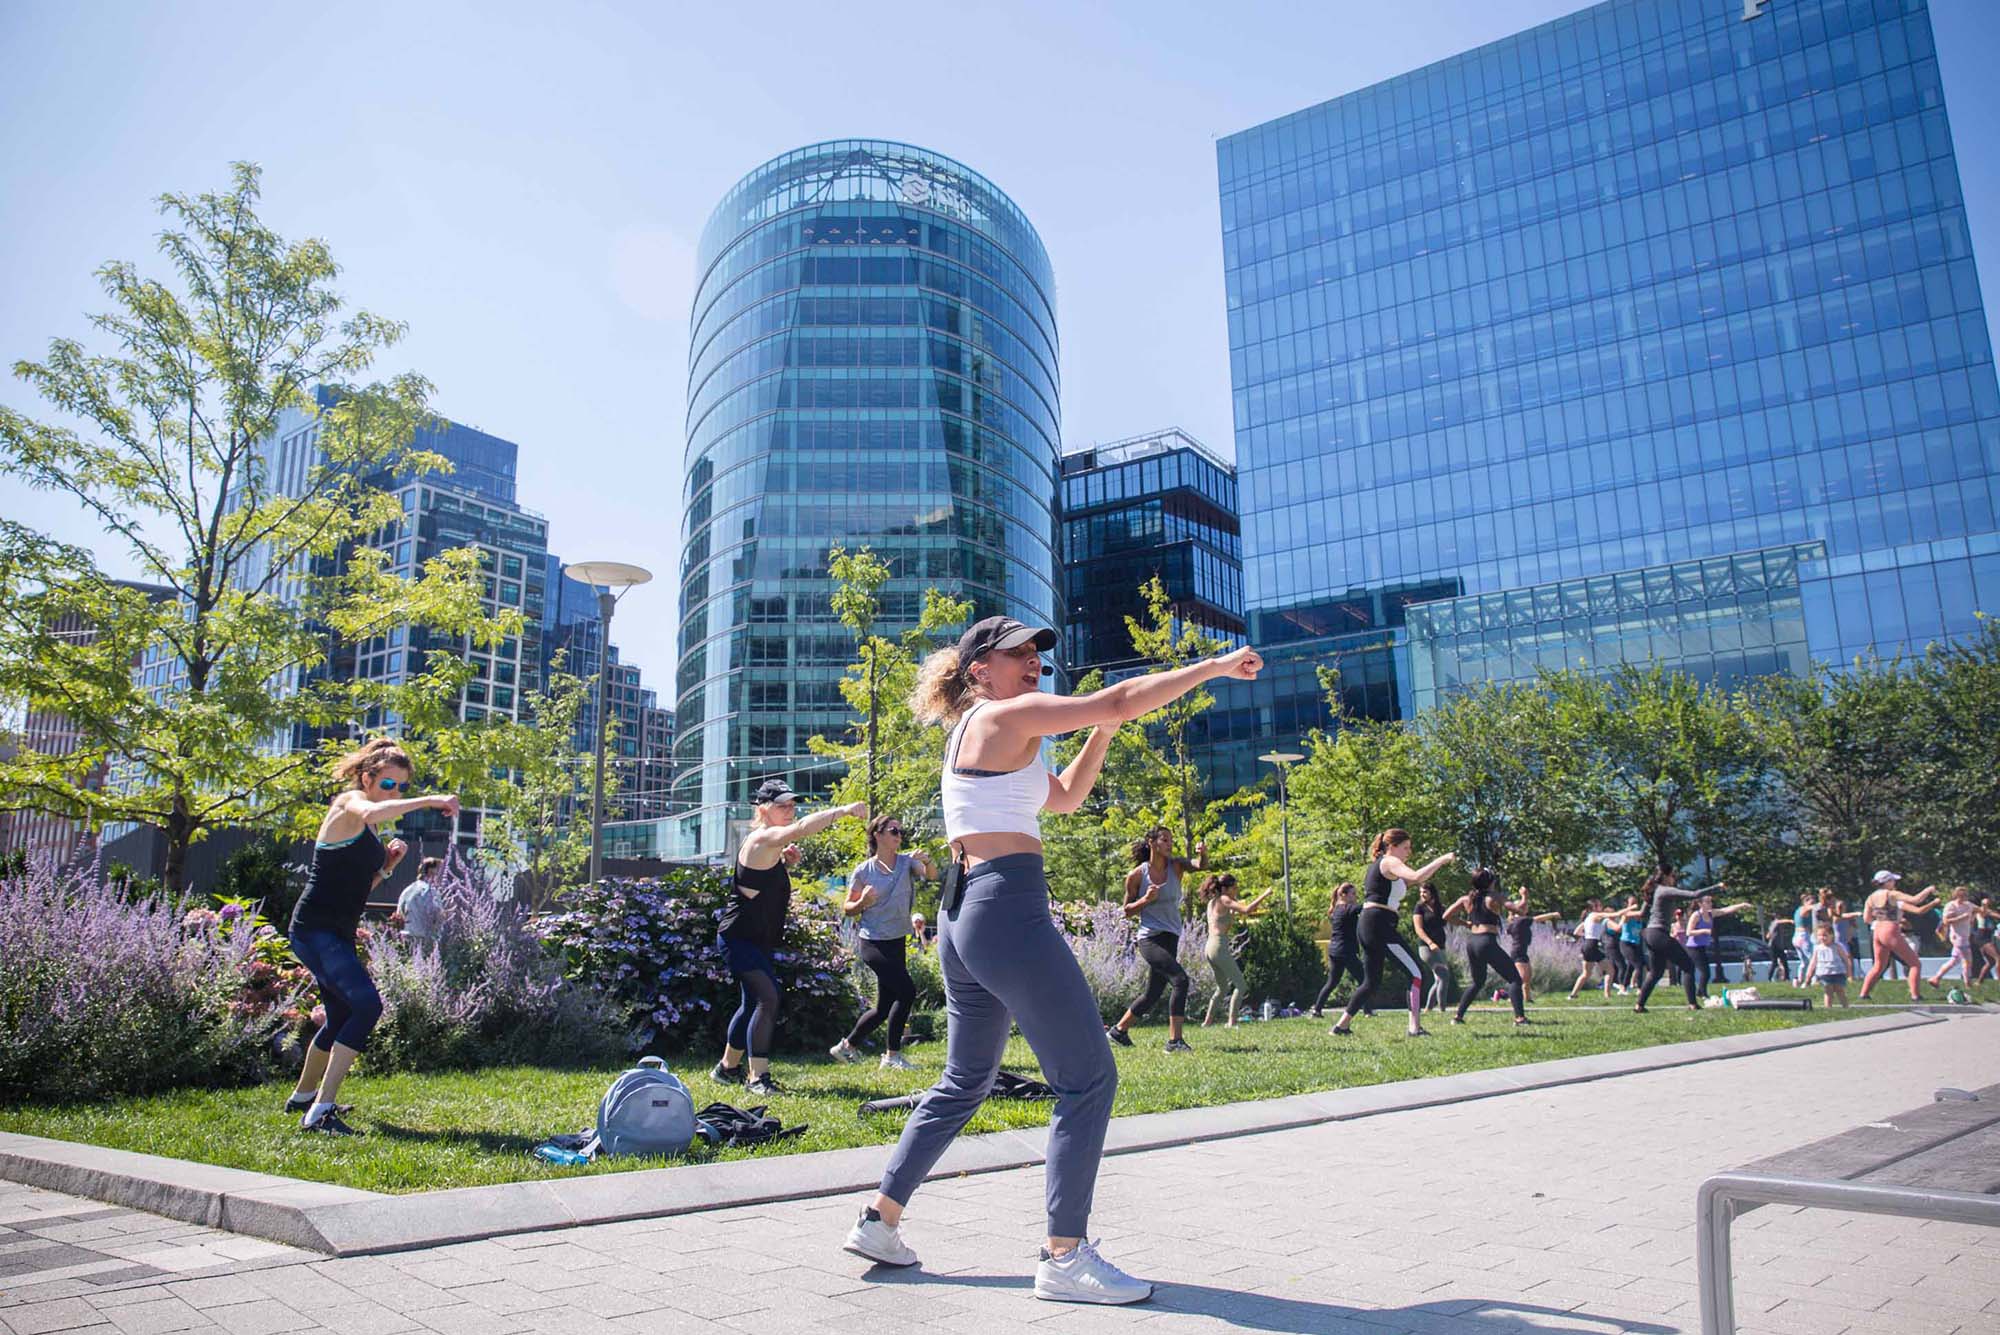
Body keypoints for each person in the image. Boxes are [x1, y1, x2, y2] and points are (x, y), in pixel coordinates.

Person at [843, 614, 1261, 1304]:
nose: (1034, 661)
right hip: (1005, 907)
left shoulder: (991, 736)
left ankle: (880, 1219)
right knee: (1088, 1076)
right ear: (979, 668)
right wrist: (1212, 668)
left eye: (1039, 653)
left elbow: (1063, 798)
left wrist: (1103, 731)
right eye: (1018, 653)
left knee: (966, 1078)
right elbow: (1122, 697)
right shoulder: (1002, 718)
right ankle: (1064, 1254)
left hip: (966, 915)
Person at [287, 739, 459, 1136]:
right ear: (366, 778)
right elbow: (373, 809)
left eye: (400, 787)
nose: (394, 794)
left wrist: (386, 869)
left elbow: (355, 885)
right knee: (366, 1006)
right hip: (315, 930)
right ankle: (321, 1111)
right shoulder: (349, 804)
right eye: (388, 785)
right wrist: (428, 799)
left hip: (336, 932)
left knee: (342, 1015)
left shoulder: (367, 827)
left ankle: (302, 1096)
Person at [713, 779, 867, 1097]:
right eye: (782, 805)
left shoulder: (771, 848)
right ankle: (757, 1078)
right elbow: (799, 829)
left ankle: (726, 1069)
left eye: (792, 805)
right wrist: (843, 810)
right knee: (768, 998)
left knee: (751, 1003)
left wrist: (784, 864)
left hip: (757, 939)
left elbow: (763, 883)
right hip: (738, 938)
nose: (790, 810)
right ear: (763, 809)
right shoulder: (762, 838)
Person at [831, 814, 937, 1071]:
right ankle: (892, 1056)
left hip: (897, 939)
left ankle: (847, 1047)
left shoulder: (906, 863)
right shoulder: (863, 871)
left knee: (883, 1007)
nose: (899, 836)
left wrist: (928, 860)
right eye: (893, 831)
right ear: (877, 834)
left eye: (900, 832)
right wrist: (863, 902)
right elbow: (848, 909)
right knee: (907, 991)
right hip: (872, 943)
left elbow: (932, 876)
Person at [1329, 829, 1450, 1038]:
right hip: (1379, 925)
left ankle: (1341, 1026)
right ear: (1392, 847)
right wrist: (1442, 859)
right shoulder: (1389, 861)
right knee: (1416, 973)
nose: (1408, 853)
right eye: (1406, 848)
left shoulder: (1383, 868)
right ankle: (1414, 1028)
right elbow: (1417, 876)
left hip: (1370, 924)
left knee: (1371, 982)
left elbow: (1410, 881)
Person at [1107, 829, 1207, 1053]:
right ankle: (1175, 1042)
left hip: (1171, 936)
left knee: (1153, 993)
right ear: (1151, 843)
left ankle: (1118, 1031)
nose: (1170, 844)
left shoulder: (1176, 866)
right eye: (1165, 840)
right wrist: (1145, 899)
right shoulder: (1136, 875)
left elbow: (1200, 865)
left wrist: (1202, 853)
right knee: (1180, 980)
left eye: (1171, 840)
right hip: (1150, 938)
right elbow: (1127, 911)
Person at [1633, 869, 1752, 1013]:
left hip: (1650, 933)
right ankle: (1693, 1004)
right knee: (1688, 966)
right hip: (1659, 933)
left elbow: (1642, 914)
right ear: (1665, 876)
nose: (1674, 879)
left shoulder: (1655, 891)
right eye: (1672, 876)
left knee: (1656, 972)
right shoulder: (1665, 890)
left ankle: (1639, 1005)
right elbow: (1694, 895)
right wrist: (1717, 887)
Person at [1446, 868, 1525, 1025]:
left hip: (1472, 942)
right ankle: (1520, 1018)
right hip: (1486, 941)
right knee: (1515, 979)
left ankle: (1458, 1017)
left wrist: (1466, 923)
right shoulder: (1494, 897)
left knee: (1477, 982)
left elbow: (1446, 916)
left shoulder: (1466, 899)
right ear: (1490, 882)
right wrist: (1524, 896)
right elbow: (1519, 910)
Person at [1200, 873, 1275, 1027]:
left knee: (1222, 988)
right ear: (1226, 889)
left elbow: (1223, 925)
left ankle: (1207, 1023)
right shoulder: (1224, 899)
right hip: (1218, 946)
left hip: (1210, 947)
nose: (1237, 890)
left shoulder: (1214, 902)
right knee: (1241, 986)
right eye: (1234, 887)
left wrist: (1232, 914)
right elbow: (1247, 909)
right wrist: (1265, 894)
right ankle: (1231, 1022)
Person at [1855, 871, 1936, 1003]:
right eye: (1892, 881)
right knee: (1915, 963)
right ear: (1886, 882)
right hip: (1890, 929)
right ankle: (1915, 996)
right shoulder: (1891, 894)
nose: (1894, 883)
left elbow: (1866, 919)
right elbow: (1915, 900)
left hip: (1877, 930)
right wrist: (1928, 890)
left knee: (1878, 966)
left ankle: (1863, 994)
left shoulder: (1871, 897)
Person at [1310, 884, 1364, 1018]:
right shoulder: (1346, 908)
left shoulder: (1337, 909)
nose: (1355, 896)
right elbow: (1363, 907)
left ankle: (1317, 1010)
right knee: (1365, 980)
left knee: (1332, 982)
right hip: (1345, 950)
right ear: (1343, 895)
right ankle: (1368, 1010)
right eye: (1353, 894)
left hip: (1335, 950)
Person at [1683, 891, 1749, 998]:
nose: (1710, 904)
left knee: (1706, 972)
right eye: (1707, 902)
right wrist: (1704, 931)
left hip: (1702, 947)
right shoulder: (1696, 915)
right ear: (1700, 904)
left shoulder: (1711, 913)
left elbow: (1725, 910)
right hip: (1693, 948)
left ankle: (1700, 992)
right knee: (1705, 972)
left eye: (1710, 902)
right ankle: (1702, 993)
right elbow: (1688, 932)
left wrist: (1741, 905)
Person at [1501, 887, 1561, 1003]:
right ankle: (1512, 997)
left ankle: (1527, 998)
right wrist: (1552, 914)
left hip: (1521, 951)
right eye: (1525, 907)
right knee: (1521, 978)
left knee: (1527, 977)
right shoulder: (1520, 921)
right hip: (1518, 952)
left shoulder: (1515, 921)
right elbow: (1537, 918)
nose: (1527, 908)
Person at [1569, 899, 1633, 1000]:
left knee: (1586, 973)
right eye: (1599, 905)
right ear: (1593, 908)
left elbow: (1577, 932)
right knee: (1610, 970)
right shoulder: (1595, 915)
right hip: (1592, 946)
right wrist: (1631, 908)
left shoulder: (1588, 918)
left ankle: (1573, 995)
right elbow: (1616, 914)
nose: (1601, 907)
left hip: (1587, 945)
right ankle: (1607, 995)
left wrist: (1588, 935)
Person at [1924, 886, 1979, 990]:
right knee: (1967, 960)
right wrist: (1961, 917)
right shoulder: (1951, 906)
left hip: (1965, 935)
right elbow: (1945, 921)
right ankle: (1968, 983)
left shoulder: (1968, 905)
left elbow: (1980, 910)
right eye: (1962, 896)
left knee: (1954, 960)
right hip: (1958, 936)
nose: (1964, 898)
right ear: (1957, 895)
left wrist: (1983, 909)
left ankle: (1936, 978)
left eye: (1966, 895)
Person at [1411, 883, 1452, 1013]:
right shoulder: (1419, 908)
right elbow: (1418, 929)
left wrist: (1465, 923)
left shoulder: (1440, 907)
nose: (1422, 895)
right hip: (1427, 947)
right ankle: (1442, 1009)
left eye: (1425, 892)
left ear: (1432, 893)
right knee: (1444, 976)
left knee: (1439, 978)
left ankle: (1428, 1008)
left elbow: (1450, 919)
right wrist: (1430, 942)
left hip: (1440, 946)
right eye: (1421, 892)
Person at [394, 856, 444, 951]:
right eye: (439, 870)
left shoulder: (408, 890)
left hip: (406, 935)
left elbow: (399, 914)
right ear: (431, 871)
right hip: (424, 939)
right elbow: (437, 915)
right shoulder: (430, 892)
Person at [1805, 922, 1853, 1008]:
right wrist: (1809, 975)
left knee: (1840, 990)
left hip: (1838, 972)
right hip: (1824, 973)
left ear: (1832, 935)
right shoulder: (1817, 948)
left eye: (1825, 935)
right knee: (1828, 991)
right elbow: (1813, 962)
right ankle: (1828, 1007)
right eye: (1819, 935)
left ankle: (1845, 1006)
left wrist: (1849, 973)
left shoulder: (1837, 946)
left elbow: (1846, 959)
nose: (1822, 938)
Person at [1613, 898, 1646, 993]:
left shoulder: (1638, 917)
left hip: (1636, 943)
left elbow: (1640, 915)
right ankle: (1640, 988)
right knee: (1638, 965)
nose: (1634, 905)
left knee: (1631, 966)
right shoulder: (1626, 915)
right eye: (1632, 903)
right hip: (1626, 943)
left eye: (1635, 903)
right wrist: (1632, 908)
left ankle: (1623, 986)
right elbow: (1634, 913)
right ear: (1627, 904)